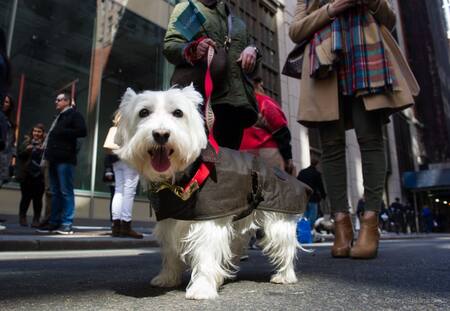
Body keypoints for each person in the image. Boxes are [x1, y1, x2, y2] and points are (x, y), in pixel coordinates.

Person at [289, 0, 419, 259]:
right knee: (331, 146)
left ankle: (371, 222)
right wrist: (331, 9)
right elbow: (295, 31)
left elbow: (389, 20)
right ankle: (341, 225)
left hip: (365, 54)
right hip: (324, 61)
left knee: (370, 138)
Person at [164, 0, 259, 150]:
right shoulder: (190, 10)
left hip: (236, 107)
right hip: (206, 102)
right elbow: (171, 46)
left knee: (227, 165)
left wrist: (253, 51)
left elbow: (253, 72)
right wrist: (193, 49)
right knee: (201, 161)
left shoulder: (237, 23)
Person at [37, 92, 87, 235]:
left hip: (65, 158)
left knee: (65, 191)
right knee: (55, 192)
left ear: (66, 101)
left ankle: (66, 223)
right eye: (56, 100)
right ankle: (54, 222)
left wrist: (61, 131)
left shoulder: (74, 115)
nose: (56, 102)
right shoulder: (58, 117)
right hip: (53, 158)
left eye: (58, 100)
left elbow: (82, 131)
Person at [240, 77, 294, 174]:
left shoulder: (235, 103)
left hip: (241, 154)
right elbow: (281, 130)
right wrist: (287, 157)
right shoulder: (264, 101)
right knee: (272, 187)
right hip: (267, 152)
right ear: (257, 84)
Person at [106, 112, 142, 239]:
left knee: (118, 191)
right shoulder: (133, 124)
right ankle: (125, 226)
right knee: (129, 193)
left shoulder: (116, 126)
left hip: (116, 160)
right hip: (130, 160)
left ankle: (116, 226)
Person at [16, 124, 46, 227]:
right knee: (26, 197)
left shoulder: (45, 145)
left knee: (38, 199)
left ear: (42, 133)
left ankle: (36, 219)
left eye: (39, 132)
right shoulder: (26, 142)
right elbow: (19, 155)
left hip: (39, 175)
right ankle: (22, 217)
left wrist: (42, 150)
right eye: (35, 131)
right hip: (26, 174)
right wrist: (26, 150)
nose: (36, 133)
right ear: (32, 132)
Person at [297, 158, 326, 229]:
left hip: (303, 197)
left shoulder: (302, 172)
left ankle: (303, 231)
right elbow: (320, 186)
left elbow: (297, 183)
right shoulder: (316, 174)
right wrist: (323, 195)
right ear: (316, 164)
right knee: (312, 216)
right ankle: (309, 230)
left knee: (304, 215)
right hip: (313, 197)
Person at [0, 95, 15, 187]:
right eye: (2, 101)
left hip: (4, 162)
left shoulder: (10, 122)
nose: (3, 103)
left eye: (6, 102)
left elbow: (11, 144)